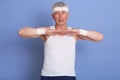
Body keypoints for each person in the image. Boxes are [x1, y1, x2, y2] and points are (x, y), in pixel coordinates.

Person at [18, 1, 103, 80]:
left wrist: (79, 31)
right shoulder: (47, 32)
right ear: (53, 16)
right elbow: (22, 32)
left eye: (63, 13)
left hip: (68, 76)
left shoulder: (75, 33)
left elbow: (99, 37)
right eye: (57, 13)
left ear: (68, 15)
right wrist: (44, 31)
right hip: (47, 76)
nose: (60, 17)